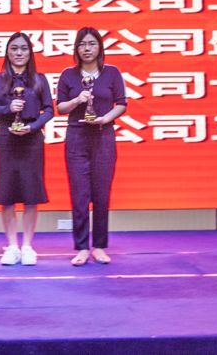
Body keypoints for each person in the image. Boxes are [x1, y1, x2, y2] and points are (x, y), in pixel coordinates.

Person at [55, 26, 127, 265]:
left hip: (103, 136)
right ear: (76, 48)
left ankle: (99, 246)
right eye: (82, 44)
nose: (87, 49)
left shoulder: (112, 73)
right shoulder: (68, 75)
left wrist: (106, 119)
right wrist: (77, 100)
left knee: (102, 194)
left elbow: (121, 103)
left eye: (92, 44)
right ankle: (82, 247)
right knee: (79, 195)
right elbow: (60, 108)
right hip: (76, 138)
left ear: (99, 47)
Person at [0, 32, 53, 266]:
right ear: (7, 52)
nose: (19, 53)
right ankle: (12, 245)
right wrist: (7, 108)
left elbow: (49, 110)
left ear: (30, 52)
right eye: (14, 48)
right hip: (6, 138)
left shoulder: (39, 79)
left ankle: (28, 246)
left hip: (31, 139)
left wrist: (33, 127)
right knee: (7, 193)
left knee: (31, 193)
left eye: (24, 48)